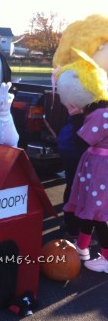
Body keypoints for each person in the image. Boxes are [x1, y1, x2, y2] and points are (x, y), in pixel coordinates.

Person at [53, 14, 108, 239]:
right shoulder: (79, 77)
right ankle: (73, 225)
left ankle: (86, 225)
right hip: (80, 141)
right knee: (77, 183)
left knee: (91, 186)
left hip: (93, 143)